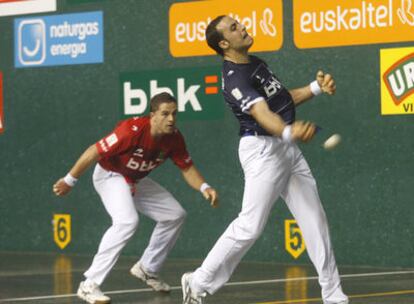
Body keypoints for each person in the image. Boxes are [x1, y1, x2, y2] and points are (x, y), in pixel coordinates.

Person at [181, 15, 349, 304]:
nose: (243, 28)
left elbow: (282, 100)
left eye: (239, 23)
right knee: (250, 226)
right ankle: (198, 281)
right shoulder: (235, 78)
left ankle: (333, 295)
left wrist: (316, 88)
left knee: (314, 219)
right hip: (262, 151)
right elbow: (261, 114)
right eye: (234, 28)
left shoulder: (256, 64)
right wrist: (287, 131)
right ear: (223, 43)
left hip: (285, 149)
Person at [53, 92, 218, 304]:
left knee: (175, 215)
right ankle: (89, 284)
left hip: (135, 179)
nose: (171, 119)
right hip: (110, 175)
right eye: (165, 114)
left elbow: (186, 167)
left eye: (174, 113)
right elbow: (94, 151)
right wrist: (70, 180)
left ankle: (148, 268)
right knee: (127, 221)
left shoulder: (174, 138)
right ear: (152, 115)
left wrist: (204, 187)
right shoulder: (131, 131)